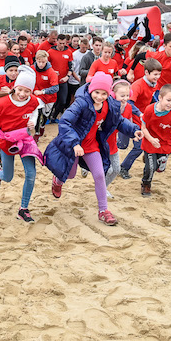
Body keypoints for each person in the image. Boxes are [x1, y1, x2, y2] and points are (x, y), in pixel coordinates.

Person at [43, 73, 141, 227]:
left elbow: (119, 121)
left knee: (100, 175)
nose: (100, 97)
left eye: (104, 93)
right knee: (70, 174)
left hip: (91, 145)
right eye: (97, 92)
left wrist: (133, 130)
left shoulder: (110, 104)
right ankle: (58, 181)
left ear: (109, 93)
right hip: (73, 144)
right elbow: (65, 122)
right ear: (91, 90)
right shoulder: (81, 103)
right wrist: (75, 144)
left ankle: (103, 211)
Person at [0, 69, 43, 223]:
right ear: (15, 87)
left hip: (25, 139)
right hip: (7, 140)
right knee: (8, 177)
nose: (23, 94)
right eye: (20, 90)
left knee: (31, 174)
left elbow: (35, 110)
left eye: (27, 91)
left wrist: (33, 121)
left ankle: (23, 209)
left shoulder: (33, 101)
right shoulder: (2, 103)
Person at [138, 84, 171, 196]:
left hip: (165, 143)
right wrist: (151, 139)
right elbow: (143, 127)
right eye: (168, 100)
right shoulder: (150, 110)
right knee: (151, 167)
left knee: (159, 168)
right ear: (160, 98)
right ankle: (146, 185)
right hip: (150, 142)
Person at [119, 58, 162, 178]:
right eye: (155, 74)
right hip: (132, 118)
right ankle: (123, 167)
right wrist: (139, 113)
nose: (157, 77)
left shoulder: (154, 84)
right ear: (146, 72)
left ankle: (132, 164)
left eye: (159, 74)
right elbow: (129, 103)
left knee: (144, 143)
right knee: (131, 146)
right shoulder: (138, 85)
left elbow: (151, 98)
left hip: (143, 119)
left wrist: (157, 106)